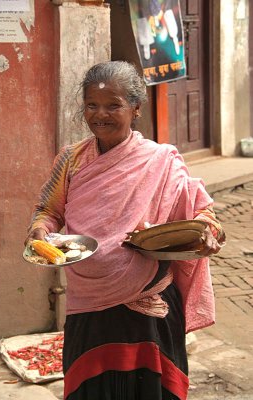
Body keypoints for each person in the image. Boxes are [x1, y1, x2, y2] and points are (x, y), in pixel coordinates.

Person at [25, 61, 225, 400]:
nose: (100, 114)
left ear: (136, 108)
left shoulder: (161, 160)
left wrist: (207, 234)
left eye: (113, 105)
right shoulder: (71, 160)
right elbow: (48, 211)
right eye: (92, 105)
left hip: (148, 302)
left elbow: (203, 217)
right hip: (89, 305)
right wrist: (39, 230)